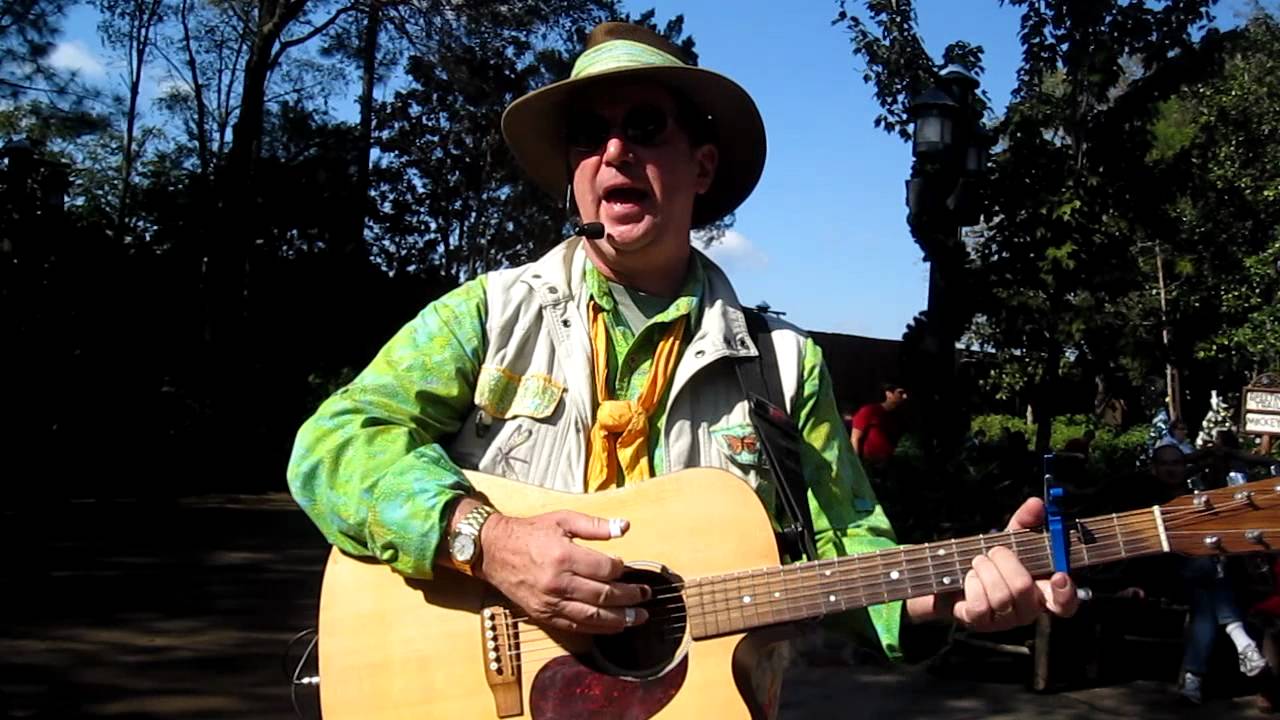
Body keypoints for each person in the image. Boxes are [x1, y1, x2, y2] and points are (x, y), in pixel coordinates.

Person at [286, 21, 1078, 714]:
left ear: (701, 167)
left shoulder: (785, 364)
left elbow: (847, 548)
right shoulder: (486, 315)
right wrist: (486, 539)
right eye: (589, 135)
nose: (614, 151)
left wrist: (943, 593)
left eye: (643, 125)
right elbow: (333, 445)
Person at [850, 380, 908, 471]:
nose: (905, 396)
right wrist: (856, 466)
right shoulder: (869, 411)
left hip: (890, 464)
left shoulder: (900, 416)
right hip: (870, 465)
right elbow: (855, 438)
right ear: (889, 394)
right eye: (900, 392)